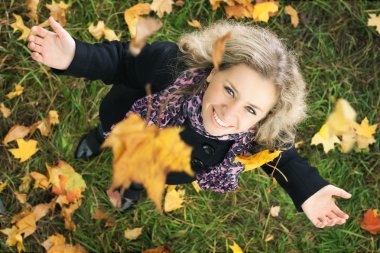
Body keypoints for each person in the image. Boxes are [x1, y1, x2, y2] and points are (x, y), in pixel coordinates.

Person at [27, 17, 352, 229]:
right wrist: (74, 57)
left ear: (266, 117)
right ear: (213, 71)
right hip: (126, 124)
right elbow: (123, 61)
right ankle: (98, 139)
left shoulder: (254, 135)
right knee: (108, 134)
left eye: (251, 109)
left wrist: (309, 190)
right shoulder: (172, 67)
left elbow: (281, 157)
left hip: (174, 164)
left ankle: (134, 186)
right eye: (229, 89)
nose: (229, 113)